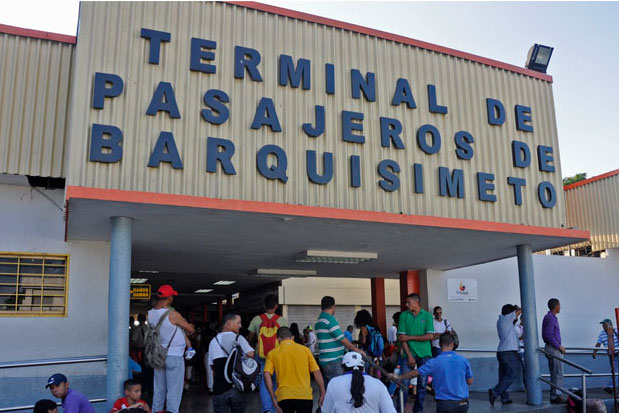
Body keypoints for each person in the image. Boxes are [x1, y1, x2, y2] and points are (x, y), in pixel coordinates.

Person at [393, 333, 473, 413]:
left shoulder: (434, 362)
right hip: (463, 403)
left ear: (439, 345)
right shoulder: (463, 360)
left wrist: (399, 377)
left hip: (445, 404)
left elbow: (414, 373)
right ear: (452, 345)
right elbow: (470, 381)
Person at [147, 284, 195, 413]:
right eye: (172, 296)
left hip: (158, 355)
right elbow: (190, 329)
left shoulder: (150, 314)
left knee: (159, 390)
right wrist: (188, 325)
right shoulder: (172, 314)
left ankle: (156, 411)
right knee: (173, 392)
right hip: (174, 356)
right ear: (169, 298)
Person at [263, 327, 326, 413]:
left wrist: (273, 398)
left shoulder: (272, 354)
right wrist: (322, 393)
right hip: (304, 395)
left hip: (284, 396)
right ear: (292, 337)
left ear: (277, 339)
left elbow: (266, 374)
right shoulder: (305, 350)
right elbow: (317, 372)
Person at [248, 294, 288, 413]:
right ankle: (277, 408)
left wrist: (253, 345)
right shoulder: (282, 320)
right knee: (277, 380)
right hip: (278, 356)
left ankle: (267, 409)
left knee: (264, 382)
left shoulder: (256, 319)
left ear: (264, 305)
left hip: (261, 356)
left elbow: (250, 337)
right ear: (276, 306)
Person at [209, 312, 255, 413]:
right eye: (238, 323)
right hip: (236, 388)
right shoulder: (238, 338)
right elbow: (251, 354)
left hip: (219, 389)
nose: (240, 326)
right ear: (229, 323)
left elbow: (212, 366)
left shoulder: (213, 341)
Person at [322, 351, 396, 413]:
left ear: (343, 368)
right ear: (362, 367)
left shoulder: (334, 383)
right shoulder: (378, 384)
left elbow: (326, 411)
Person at [315, 296, 365, 385]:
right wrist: (356, 349)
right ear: (333, 306)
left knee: (330, 389)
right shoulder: (330, 319)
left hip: (324, 360)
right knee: (339, 388)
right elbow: (341, 338)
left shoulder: (319, 320)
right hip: (334, 360)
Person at [398, 293, 434, 413]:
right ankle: (400, 409)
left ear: (416, 302)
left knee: (422, 384)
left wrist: (409, 337)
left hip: (425, 354)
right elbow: (402, 338)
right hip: (408, 354)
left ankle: (418, 409)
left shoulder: (427, 316)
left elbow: (430, 336)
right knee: (404, 383)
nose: (406, 305)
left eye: (408, 302)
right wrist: (409, 355)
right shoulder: (403, 315)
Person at [489, 304, 521, 406]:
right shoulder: (506, 319)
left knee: (503, 376)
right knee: (512, 374)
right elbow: (519, 310)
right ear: (510, 313)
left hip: (502, 351)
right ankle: (495, 392)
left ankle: (505, 398)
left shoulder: (502, 321)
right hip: (508, 352)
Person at [542, 298, 566, 404]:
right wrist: (559, 346)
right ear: (555, 306)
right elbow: (548, 334)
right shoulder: (550, 318)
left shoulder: (550, 317)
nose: (560, 306)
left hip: (552, 347)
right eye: (559, 305)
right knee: (558, 372)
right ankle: (556, 396)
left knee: (555, 373)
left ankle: (554, 395)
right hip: (553, 348)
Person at [592, 318, 619, 393]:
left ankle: (611, 386)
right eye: (603, 325)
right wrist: (594, 352)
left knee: (615, 371)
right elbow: (598, 343)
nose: (603, 326)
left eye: (605, 324)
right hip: (611, 354)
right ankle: (612, 387)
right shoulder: (602, 333)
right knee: (614, 370)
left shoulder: (616, 331)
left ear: (609, 325)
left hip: (618, 352)